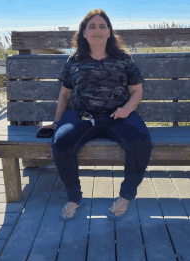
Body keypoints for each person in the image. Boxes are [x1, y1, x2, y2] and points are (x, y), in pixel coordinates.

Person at [37, 9, 153, 221]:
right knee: (61, 142)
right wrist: (56, 123)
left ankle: (126, 195)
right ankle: (74, 196)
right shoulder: (74, 60)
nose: (97, 30)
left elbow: (137, 90)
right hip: (81, 116)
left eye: (102, 26)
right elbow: (65, 94)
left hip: (119, 115)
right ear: (83, 33)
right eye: (91, 26)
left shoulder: (124, 59)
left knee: (141, 140)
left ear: (109, 32)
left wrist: (127, 109)